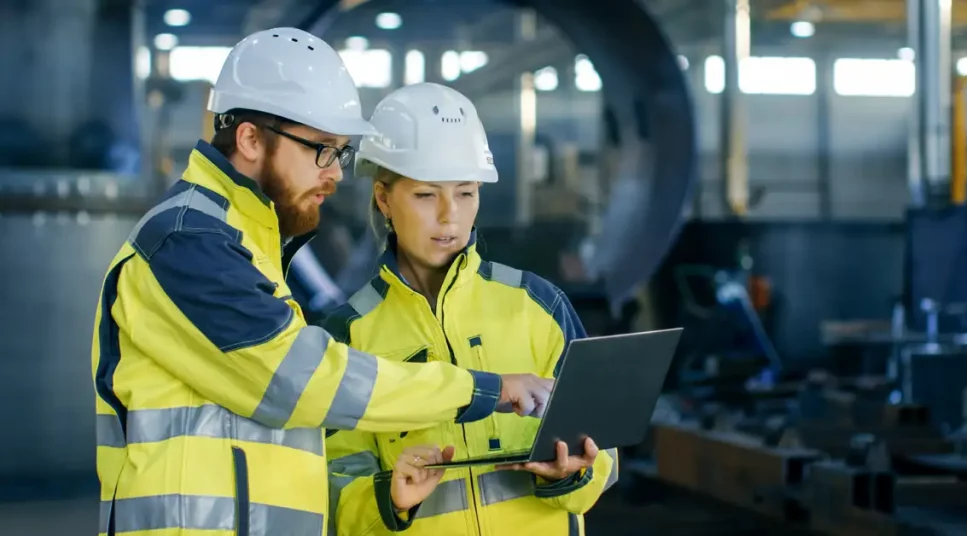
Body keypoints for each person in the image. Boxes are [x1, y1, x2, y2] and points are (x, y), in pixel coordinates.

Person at [90, 28, 553, 536]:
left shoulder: (247, 243)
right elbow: (301, 381)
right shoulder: (187, 241)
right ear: (249, 138)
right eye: (321, 149)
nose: (333, 173)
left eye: (339, 153)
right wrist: (480, 389)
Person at [321, 83, 618, 536]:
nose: (450, 217)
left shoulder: (538, 305)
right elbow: (334, 493)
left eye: (465, 193)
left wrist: (575, 472)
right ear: (384, 198)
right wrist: (389, 498)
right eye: (426, 195)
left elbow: (605, 456)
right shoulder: (349, 335)